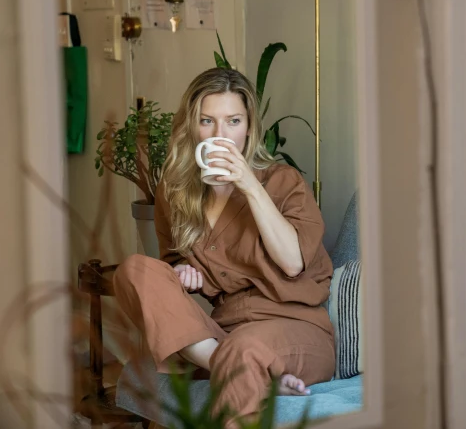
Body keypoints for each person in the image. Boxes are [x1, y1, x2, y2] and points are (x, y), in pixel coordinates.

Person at [113, 67, 335, 425]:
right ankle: (245, 370)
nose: (220, 135)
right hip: (219, 334)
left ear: (249, 127)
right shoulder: (177, 193)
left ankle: (247, 367)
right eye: (207, 121)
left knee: (244, 350)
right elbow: (168, 268)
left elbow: (293, 263)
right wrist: (180, 272)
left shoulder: (283, 182)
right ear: (191, 126)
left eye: (233, 121)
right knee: (135, 269)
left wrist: (248, 183)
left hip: (295, 329)